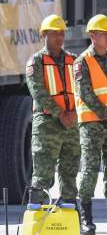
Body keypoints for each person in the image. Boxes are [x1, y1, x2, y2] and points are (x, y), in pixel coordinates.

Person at [25, 14, 80, 208]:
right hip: (47, 123)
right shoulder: (36, 62)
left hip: (72, 124)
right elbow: (38, 92)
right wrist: (61, 114)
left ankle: (70, 212)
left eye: (61, 33)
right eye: (55, 33)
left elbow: (84, 90)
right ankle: (35, 214)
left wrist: (74, 113)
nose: (59, 37)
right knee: (42, 172)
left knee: (70, 170)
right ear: (44, 35)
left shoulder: (74, 60)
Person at [75, 14, 107, 235]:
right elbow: (85, 93)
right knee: (90, 170)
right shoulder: (82, 61)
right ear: (93, 36)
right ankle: (86, 218)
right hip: (92, 124)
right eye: (105, 34)